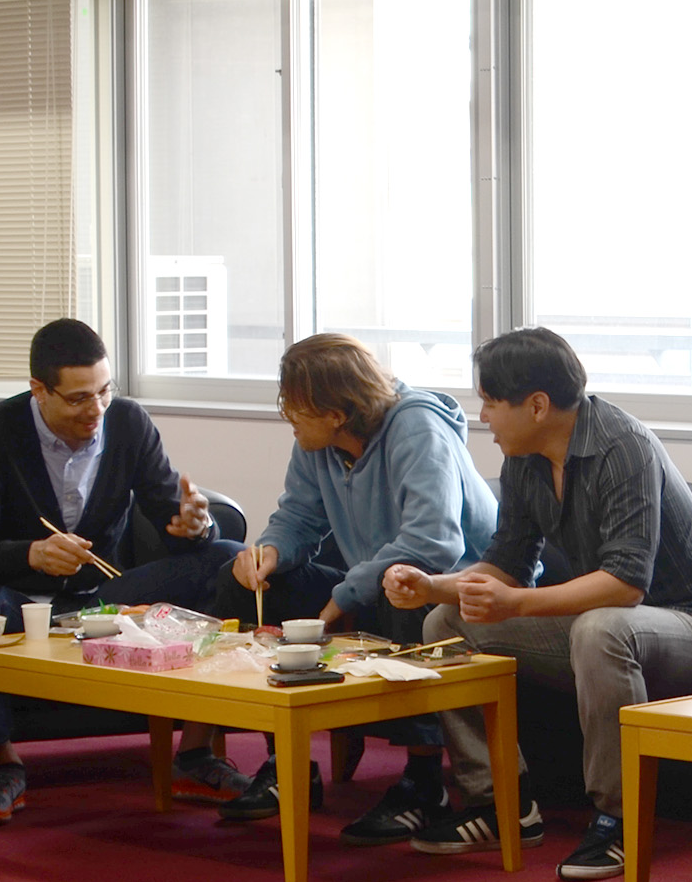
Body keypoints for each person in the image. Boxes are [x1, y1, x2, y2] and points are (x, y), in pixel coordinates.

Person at [385, 327, 692, 882]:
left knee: (600, 629)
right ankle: (499, 804)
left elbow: (626, 585)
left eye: (490, 403)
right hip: (610, 625)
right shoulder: (524, 457)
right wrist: (434, 586)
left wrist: (516, 604)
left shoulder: (623, 446)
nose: (483, 418)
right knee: (446, 624)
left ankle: (618, 820)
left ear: (536, 406)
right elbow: (507, 565)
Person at [0, 319, 245, 826]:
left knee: (227, 558)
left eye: (104, 391)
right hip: (19, 601)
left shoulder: (127, 422)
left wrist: (195, 525)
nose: (95, 410)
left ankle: (194, 755)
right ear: (39, 391)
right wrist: (31, 554)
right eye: (78, 398)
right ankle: (3, 766)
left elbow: (172, 524)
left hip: (103, 599)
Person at [201, 334, 499, 837]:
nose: (288, 418)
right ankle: (287, 764)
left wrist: (340, 599)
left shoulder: (418, 428)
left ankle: (424, 784)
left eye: (296, 408)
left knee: (402, 591)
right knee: (247, 584)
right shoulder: (315, 444)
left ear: (336, 412)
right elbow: (298, 515)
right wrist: (267, 553)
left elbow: (433, 543)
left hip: (454, 583)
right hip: (373, 574)